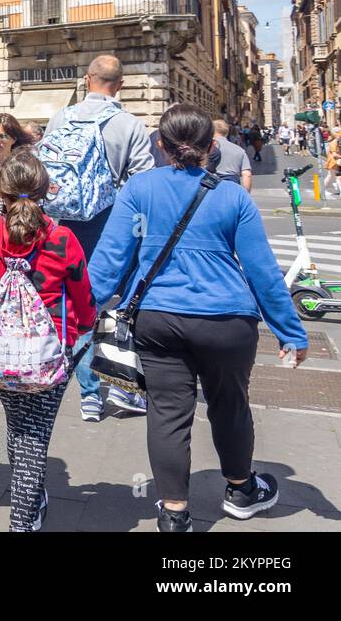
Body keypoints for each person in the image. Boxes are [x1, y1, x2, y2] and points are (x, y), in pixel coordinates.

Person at [88, 105, 310, 532]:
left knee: (167, 412)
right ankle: (242, 490)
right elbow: (262, 271)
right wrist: (290, 331)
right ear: (213, 146)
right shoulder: (232, 196)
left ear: (160, 145)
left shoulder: (138, 190)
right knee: (230, 405)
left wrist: (76, 319)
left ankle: (174, 513)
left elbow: (108, 264)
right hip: (227, 321)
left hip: (158, 318)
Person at [0, 150, 96, 532]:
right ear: (44, 190)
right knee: (34, 433)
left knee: (18, 426)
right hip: (51, 354)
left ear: (0, 191)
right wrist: (85, 325)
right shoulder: (61, 238)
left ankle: (31, 497)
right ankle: (23, 519)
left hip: (0, 353)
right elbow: (83, 299)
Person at [43, 55, 154, 421]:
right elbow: (142, 182)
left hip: (62, 224)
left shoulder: (62, 117)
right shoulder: (130, 125)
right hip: (110, 224)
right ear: (119, 85)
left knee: (76, 307)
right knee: (117, 305)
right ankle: (124, 385)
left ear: (87, 79)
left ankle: (89, 391)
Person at [212, 120, 253, 192]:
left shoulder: (205, 148)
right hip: (233, 187)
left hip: (211, 186)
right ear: (227, 132)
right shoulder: (239, 150)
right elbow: (247, 175)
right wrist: (245, 195)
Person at [325, 134, 341, 199]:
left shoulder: (337, 141)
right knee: (335, 177)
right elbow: (334, 155)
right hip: (333, 161)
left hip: (336, 161)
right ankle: (322, 190)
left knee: (332, 176)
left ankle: (322, 190)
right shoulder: (334, 143)